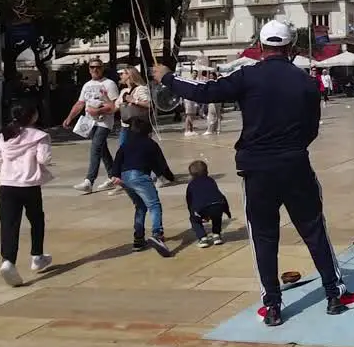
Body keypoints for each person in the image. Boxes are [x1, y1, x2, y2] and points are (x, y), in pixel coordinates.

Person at [153, 20, 354, 327]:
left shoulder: (247, 76)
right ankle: (334, 294)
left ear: (261, 48)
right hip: (295, 166)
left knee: (264, 236)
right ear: (290, 49)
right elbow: (311, 129)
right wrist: (291, 148)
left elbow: (205, 92)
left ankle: (273, 306)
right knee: (314, 230)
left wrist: (169, 78)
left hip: (257, 171)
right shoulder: (306, 81)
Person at [0, 104, 52, 287]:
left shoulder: (5, 134)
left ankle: (8, 261)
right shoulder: (39, 136)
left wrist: (9, 168)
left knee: (9, 224)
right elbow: (44, 159)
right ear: (32, 117)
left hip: (7, 184)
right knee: (36, 219)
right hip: (29, 184)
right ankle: (37, 255)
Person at [108, 116, 174, 257]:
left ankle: (138, 239)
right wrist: (169, 176)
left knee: (140, 206)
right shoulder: (150, 144)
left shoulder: (126, 144)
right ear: (148, 132)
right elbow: (160, 164)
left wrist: (115, 174)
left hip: (125, 178)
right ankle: (157, 234)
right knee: (154, 205)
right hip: (139, 176)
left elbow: (118, 158)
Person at [64, 60, 119, 194]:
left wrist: (98, 111)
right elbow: (80, 103)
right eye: (92, 67)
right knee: (102, 150)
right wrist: (70, 117)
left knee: (95, 148)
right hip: (89, 122)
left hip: (103, 122)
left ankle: (89, 180)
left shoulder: (109, 84)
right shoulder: (87, 85)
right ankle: (114, 177)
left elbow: (114, 106)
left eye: (98, 67)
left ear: (102, 68)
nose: (95, 70)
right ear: (89, 69)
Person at [186, 159, 230, 247]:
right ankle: (216, 235)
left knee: (194, 220)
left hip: (201, 207)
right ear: (207, 171)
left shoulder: (191, 184)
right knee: (217, 216)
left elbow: (189, 201)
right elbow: (219, 195)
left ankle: (203, 238)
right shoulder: (211, 181)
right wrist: (227, 210)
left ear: (191, 175)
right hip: (218, 204)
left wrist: (194, 213)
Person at [116, 67, 152, 148]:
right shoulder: (124, 91)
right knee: (123, 152)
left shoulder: (141, 89)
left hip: (138, 127)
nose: (120, 76)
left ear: (129, 75)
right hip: (125, 127)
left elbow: (149, 105)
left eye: (122, 74)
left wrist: (134, 101)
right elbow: (115, 107)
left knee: (139, 152)